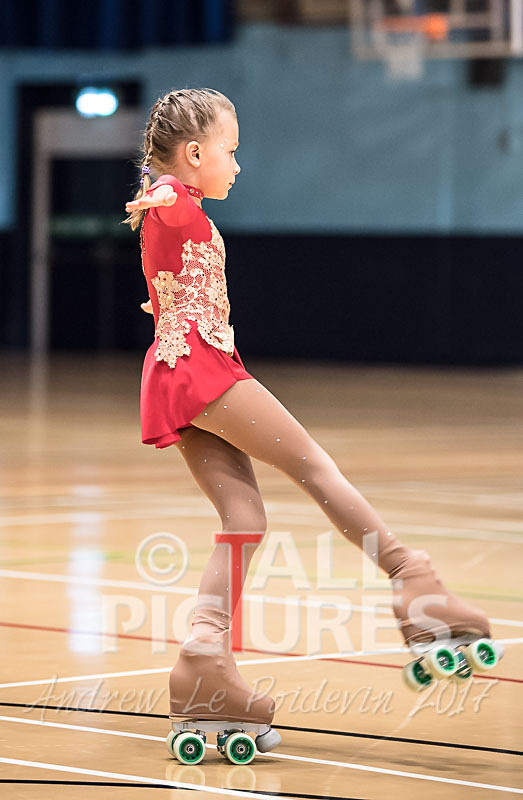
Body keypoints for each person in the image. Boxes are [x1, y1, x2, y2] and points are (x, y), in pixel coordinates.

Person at [124, 88, 491, 740]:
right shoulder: (174, 204)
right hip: (204, 374)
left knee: (244, 517)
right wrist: (159, 196)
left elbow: (170, 269)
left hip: (180, 377)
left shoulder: (185, 209)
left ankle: (203, 661)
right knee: (318, 469)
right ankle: (414, 581)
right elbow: (163, 210)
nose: (237, 165)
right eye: (230, 152)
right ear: (195, 153)